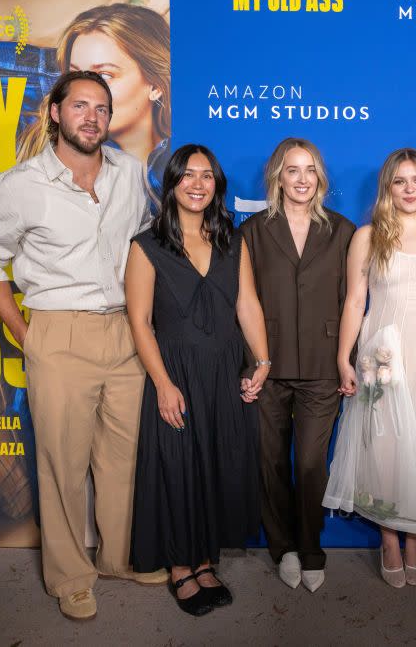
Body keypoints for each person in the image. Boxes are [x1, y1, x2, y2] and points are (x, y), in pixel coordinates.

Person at [0, 70, 165, 621]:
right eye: (80, 106)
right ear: (55, 113)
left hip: (127, 331)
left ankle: (120, 558)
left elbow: (150, 243)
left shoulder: (130, 173)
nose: (92, 118)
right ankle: (70, 576)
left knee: (123, 459)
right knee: (62, 463)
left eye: (101, 108)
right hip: (57, 330)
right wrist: (25, 333)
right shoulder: (20, 185)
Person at [126, 144, 269, 616]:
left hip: (225, 373)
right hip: (177, 374)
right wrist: (164, 385)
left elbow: (246, 304)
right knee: (178, 467)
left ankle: (206, 560)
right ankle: (180, 567)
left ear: (217, 186)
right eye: (187, 175)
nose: (197, 184)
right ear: (171, 184)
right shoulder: (146, 246)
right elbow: (140, 321)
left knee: (214, 463)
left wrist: (262, 361)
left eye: (207, 176)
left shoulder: (233, 241)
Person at [322, 148, 416, 588]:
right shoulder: (368, 237)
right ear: (388, 186)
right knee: (385, 449)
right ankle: (388, 536)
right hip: (383, 357)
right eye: (400, 181)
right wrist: (343, 358)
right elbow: (354, 301)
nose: (408, 189)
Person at [239, 138, 355, 593]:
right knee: (270, 460)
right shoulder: (250, 232)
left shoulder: (344, 232)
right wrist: (253, 361)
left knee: (310, 464)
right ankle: (282, 546)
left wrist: (348, 359)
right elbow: (243, 302)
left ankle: (311, 547)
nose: (302, 178)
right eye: (293, 170)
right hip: (267, 365)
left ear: (320, 178)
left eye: (310, 170)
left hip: (324, 365)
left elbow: (354, 301)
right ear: (278, 177)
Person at [17, 4, 170, 196]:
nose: (85, 91)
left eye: (105, 75)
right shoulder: (41, 150)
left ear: (155, 86)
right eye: (76, 75)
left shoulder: (183, 164)